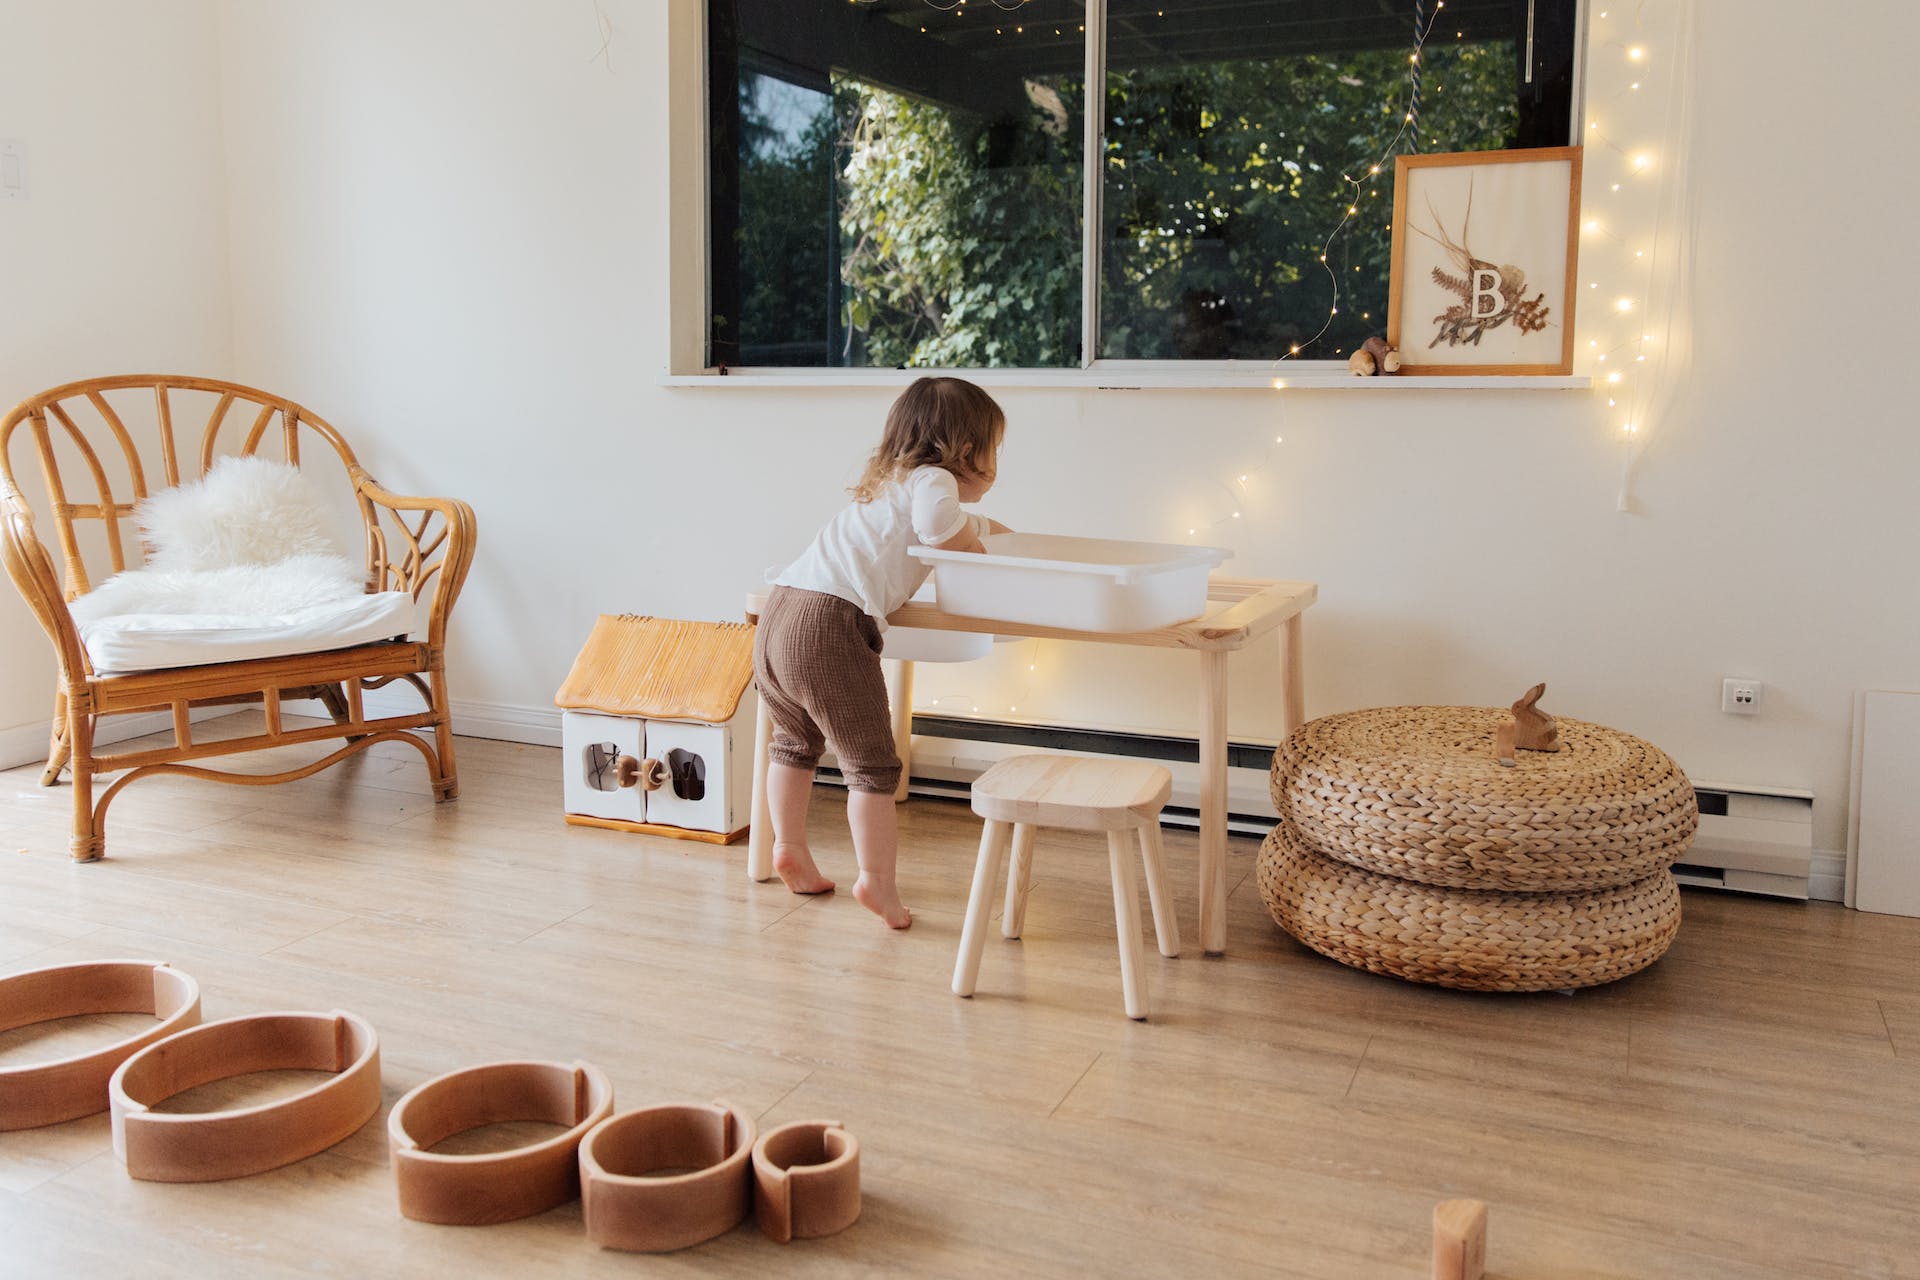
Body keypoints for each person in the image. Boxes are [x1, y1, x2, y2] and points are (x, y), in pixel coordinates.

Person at [753, 376, 1008, 929]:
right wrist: (977, 542)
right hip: (827, 626)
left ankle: (790, 848)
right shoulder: (934, 479)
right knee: (872, 767)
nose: (995, 462)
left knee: (794, 742)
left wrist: (985, 527)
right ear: (967, 451)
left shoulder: (892, 482)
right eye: (995, 448)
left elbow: (933, 523)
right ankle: (877, 883)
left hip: (780, 612)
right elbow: (940, 528)